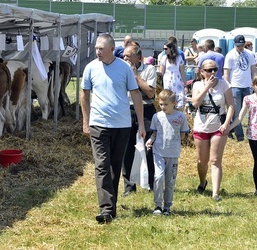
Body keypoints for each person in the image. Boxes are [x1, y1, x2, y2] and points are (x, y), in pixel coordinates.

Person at [81, 34, 146, 224]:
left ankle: (111, 206)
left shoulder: (124, 68)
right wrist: (86, 121)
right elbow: (84, 94)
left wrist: (141, 124)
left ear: (111, 49)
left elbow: (135, 95)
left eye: (101, 48)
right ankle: (106, 209)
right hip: (99, 124)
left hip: (122, 125)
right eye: (96, 48)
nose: (97, 52)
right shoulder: (90, 67)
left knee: (114, 166)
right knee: (101, 165)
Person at [191, 59, 235, 201]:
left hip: (218, 127)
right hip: (201, 126)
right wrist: (206, 87)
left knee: (215, 160)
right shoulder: (197, 85)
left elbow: (231, 107)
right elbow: (195, 103)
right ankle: (203, 182)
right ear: (202, 72)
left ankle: (215, 193)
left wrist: (226, 124)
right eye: (209, 70)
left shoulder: (224, 84)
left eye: (215, 69)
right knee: (201, 161)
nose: (212, 73)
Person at [146, 89, 189, 215]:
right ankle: (158, 205)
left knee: (170, 181)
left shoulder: (180, 117)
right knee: (158, 177)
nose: (163, 107)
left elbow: (183, 135)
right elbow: (155, 132)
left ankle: (167, 206)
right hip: (158, 151)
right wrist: (150, 141)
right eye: (161, 104)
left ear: (174, 103)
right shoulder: (157, 117)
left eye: (166, 104)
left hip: (173, 153)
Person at [227, 73, 257, 198]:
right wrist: (229, 128)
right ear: (253, 86)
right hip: (253, 134)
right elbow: (240, 117)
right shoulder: (248, 99)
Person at [122, 42, 157, 196]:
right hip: (127, 109)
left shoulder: (149, 70)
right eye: (124, 56)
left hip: (146, 108)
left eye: (128, 56)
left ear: (138, 58)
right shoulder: (121, 70)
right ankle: (129, 186)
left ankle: (150, 182)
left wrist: (135, 75)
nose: (125, 59)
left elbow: (150, 93)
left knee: (149, 147)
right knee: (126, 148)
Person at [224, 35, 256, 141]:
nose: (240, 47)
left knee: (250, 110)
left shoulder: (250, 54)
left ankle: (252, 132)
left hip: (247, 86)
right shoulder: (230, 55)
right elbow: (226, 73)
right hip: (235, 86)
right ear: (234, 44)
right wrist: (227, 86)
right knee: (236, 111)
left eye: (242, 45)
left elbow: (253, 70)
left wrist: (254, 83)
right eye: (238, 45)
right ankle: (240, 135)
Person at [159, 41, 187, 111]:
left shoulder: (179, 58)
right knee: (168, 98)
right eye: (164, 49)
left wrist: (185, 85)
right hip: (167, 81)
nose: (164, 50)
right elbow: (161, 72)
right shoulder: (164, 58)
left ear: (171, 48)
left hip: (177, 80)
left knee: (179, 99)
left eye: (166, 49)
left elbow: (182, 72)